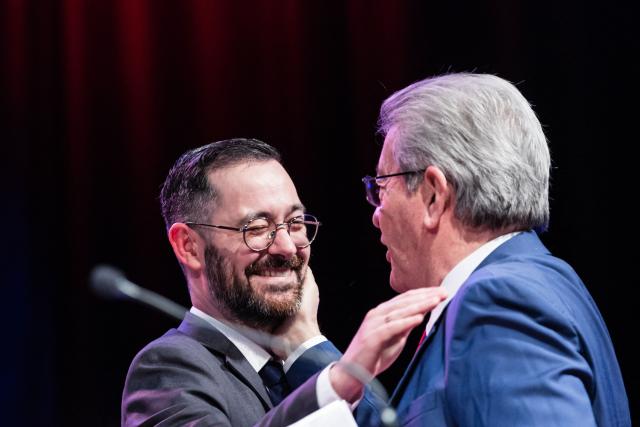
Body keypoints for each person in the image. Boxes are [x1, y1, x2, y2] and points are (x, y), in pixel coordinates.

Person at [355, 73, 631, 426]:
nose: (377, 214)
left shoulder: (498, 300)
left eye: (382, 185)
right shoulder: (539, 281)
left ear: (434, 196)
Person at [121, 138, 446, 426]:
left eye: (294, 223)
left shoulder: (307, 360)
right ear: (189, 247)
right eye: (258, 228)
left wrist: (309, 346)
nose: (287, 247)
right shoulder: (168, 368)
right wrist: (335, 381)